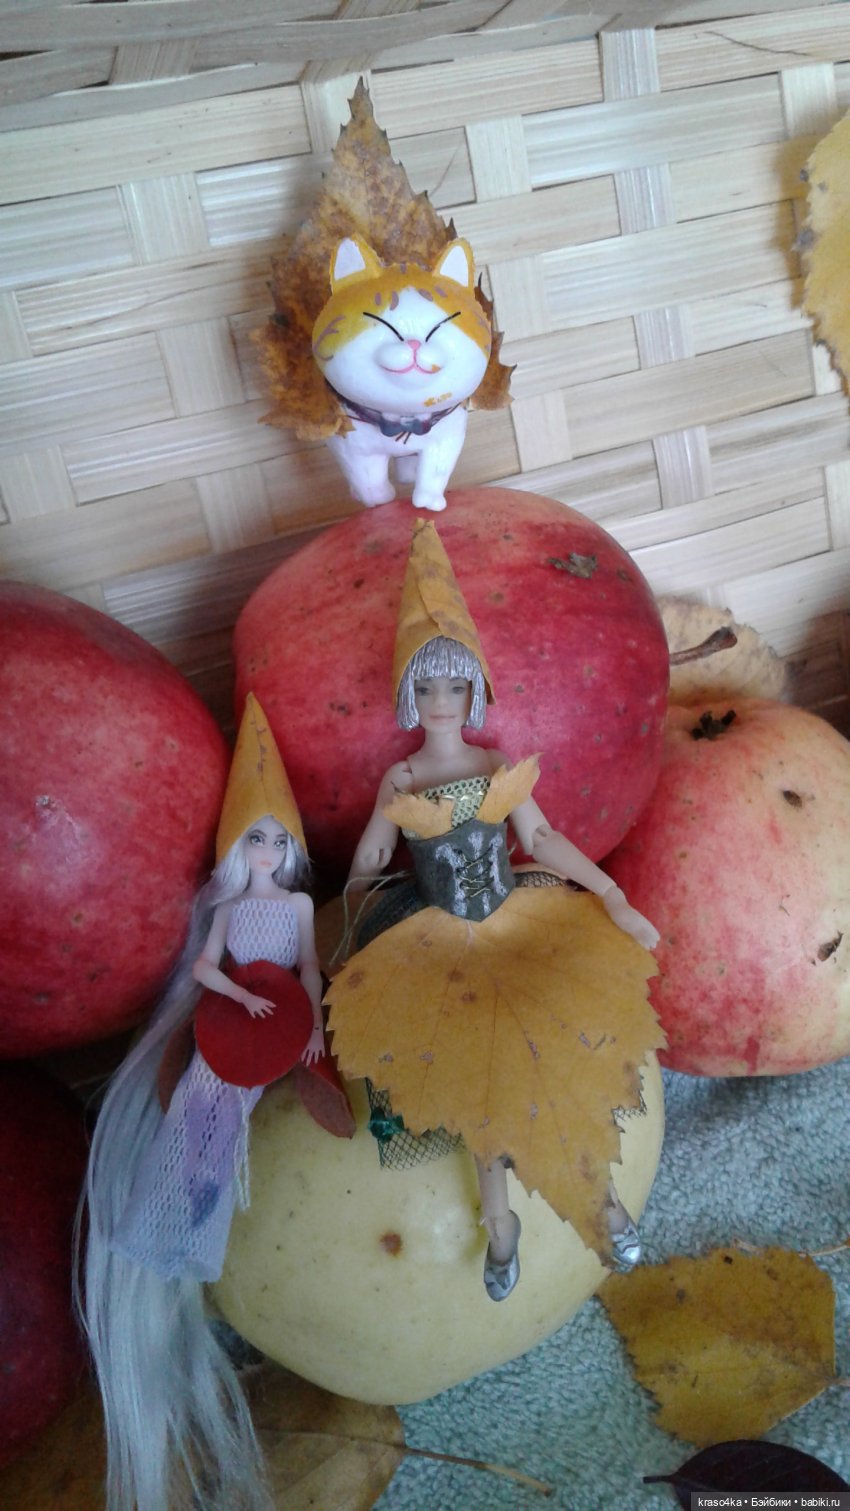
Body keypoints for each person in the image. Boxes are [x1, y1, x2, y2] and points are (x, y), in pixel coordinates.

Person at [326, 520, 664, 1302]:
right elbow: (373, 857)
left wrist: (610, 893)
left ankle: (602, 1198)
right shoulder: (401, 779)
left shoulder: (493, 763)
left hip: (519, 923)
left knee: (567, 1056)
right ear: (409, 694)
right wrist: (346, 927)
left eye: (454, 686)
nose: (442, 702)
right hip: (438, 944)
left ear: (473, 688)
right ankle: (500, 1224)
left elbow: (539, 837)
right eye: (428, 687)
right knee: (477, 1092)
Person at [81, 694, 351, 1511]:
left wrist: (311, 1030)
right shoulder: (231, 909)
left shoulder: (298, 907)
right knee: (197, 1120)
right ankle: (167, 1226)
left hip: (278, 1030)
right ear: (240, 850)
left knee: (227, 1128)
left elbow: (309, 970)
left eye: (277, 839)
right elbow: (204, 969)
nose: (267, 850)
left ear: (290, 849)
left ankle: (193, 1231)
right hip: (228, 1029)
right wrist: (237, 994)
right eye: (255, 839)